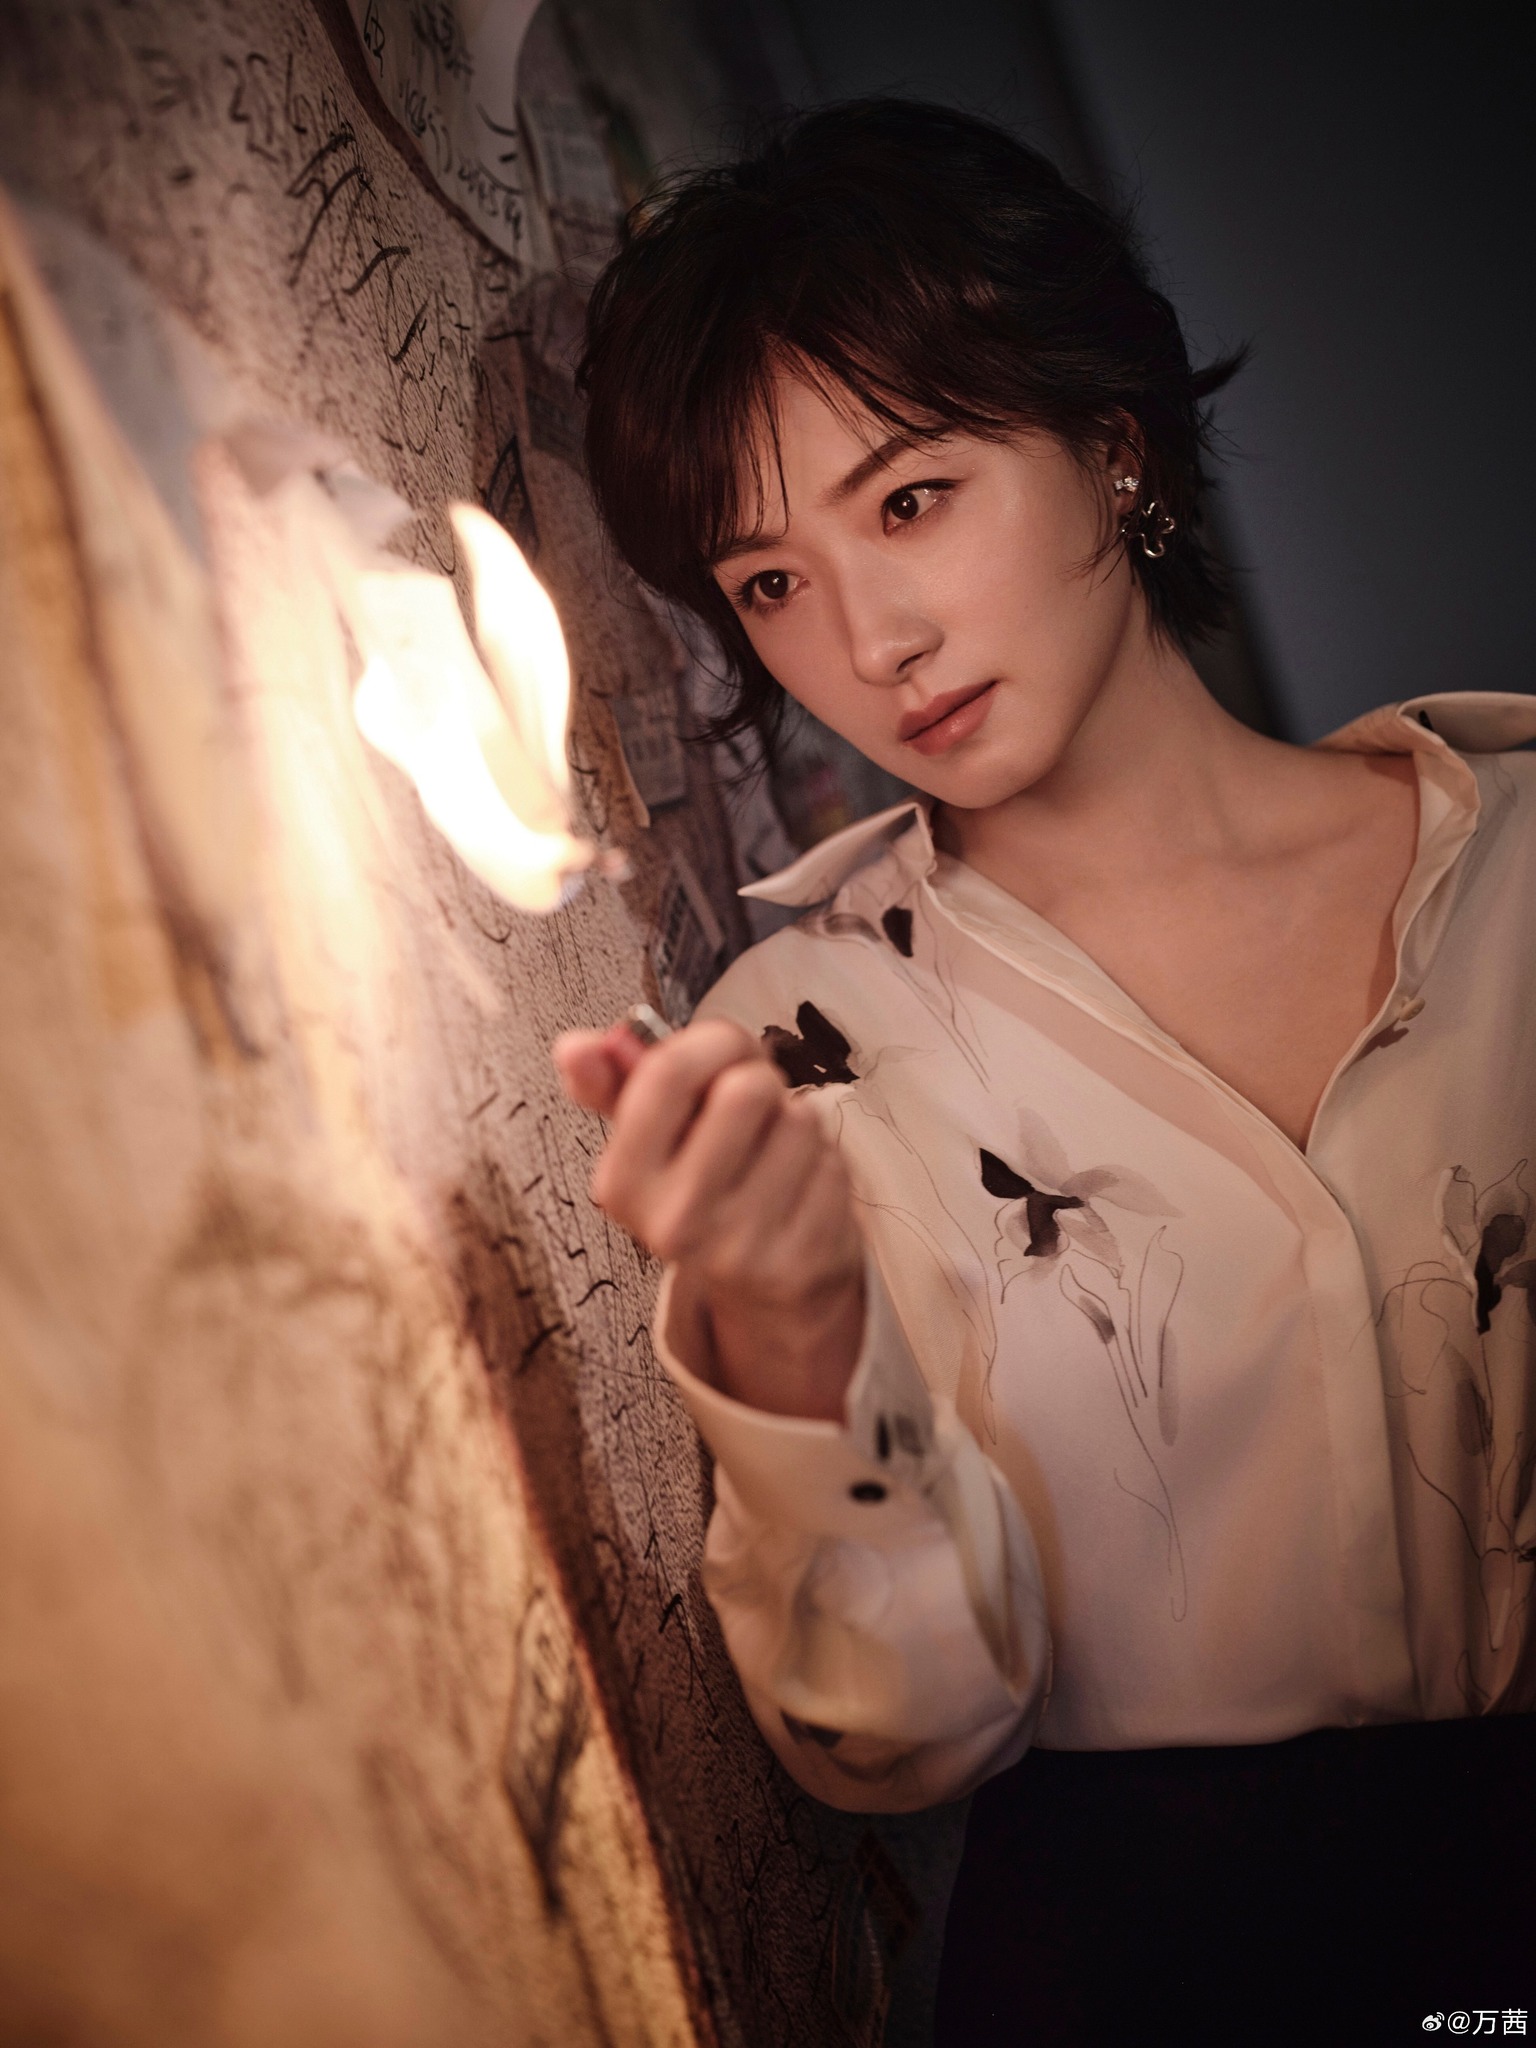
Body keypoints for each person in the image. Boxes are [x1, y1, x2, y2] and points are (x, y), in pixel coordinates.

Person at [553, 101, 1536, 2041]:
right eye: (770, 583)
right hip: (1137, 1976)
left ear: (1112, 441)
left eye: (912, 499)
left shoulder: (1515, 875)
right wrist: (795, 1330)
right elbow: (902, 1738)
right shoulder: (791, 1050)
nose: (875, 638)